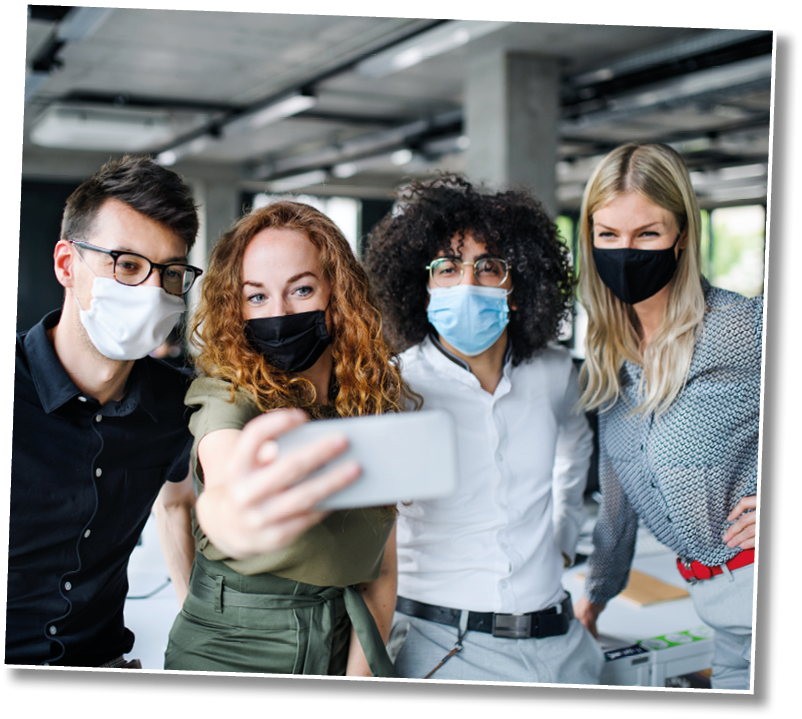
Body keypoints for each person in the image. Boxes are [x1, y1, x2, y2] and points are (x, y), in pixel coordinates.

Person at [7, 157, 359, 669]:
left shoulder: (176, 403)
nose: (151, 291)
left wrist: (193, 607)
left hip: (101, 664)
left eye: (170, 273)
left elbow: (183, 502)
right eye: (126, 264)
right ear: (66, 265)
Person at [364, 176, 603, 683]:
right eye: (447, 268)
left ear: (517, 289)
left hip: (561, 646)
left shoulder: (554, 372)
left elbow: (575, 445)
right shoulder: (394, 389)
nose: (467, 284)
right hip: (442, 646)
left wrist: (561, 537)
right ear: (421, 286)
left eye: (488, 267)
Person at [163, 200, 418, 677]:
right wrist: (235, 513)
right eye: (256, 297)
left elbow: (381, 568)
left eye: (300, 290)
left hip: (344, 635)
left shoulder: (371, 402)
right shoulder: (228, 393)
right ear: (233, 307)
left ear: (337, 295)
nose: (278, 313)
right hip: (232, 646)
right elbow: (224, 481)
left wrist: (358, 677)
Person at [572, 142, 761, 690]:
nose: (625, 252)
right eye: (608, 236)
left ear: (682, 235)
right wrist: (595, 599)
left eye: (647, 234)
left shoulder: (743, 327)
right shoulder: (613, 359)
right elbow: (618, 504)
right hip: (719, 614)